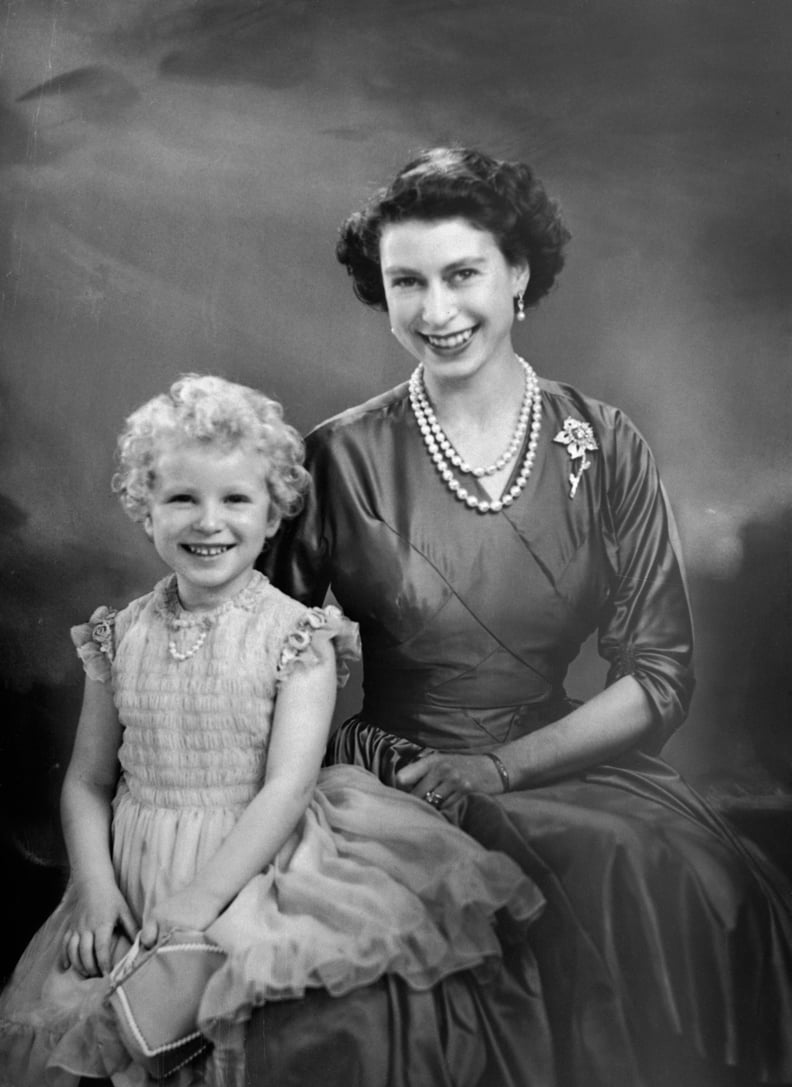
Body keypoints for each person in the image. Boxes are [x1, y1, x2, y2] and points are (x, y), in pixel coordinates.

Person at [262, 147, 792, 1087]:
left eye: (462, 274)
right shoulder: (335, 460)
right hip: (400, 779)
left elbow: (660, 676)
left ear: (518, 274)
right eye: (406, 283)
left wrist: (500, 767)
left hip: (556, 760)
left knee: (687, 882)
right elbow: (253, 654)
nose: (436, 311)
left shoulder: (606, 442)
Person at [0, 374, 548, 1087]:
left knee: (263, 1031)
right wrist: (96, 884)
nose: (208, 522)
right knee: (100, 1032)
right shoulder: (119, 634)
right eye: (181, 499)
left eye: (235, 499)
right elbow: (88, 778)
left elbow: (287, 788)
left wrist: (202, 898)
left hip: (256, 861)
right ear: (145, 509)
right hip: (135, 867)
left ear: (271, 514)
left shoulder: (299, 637)